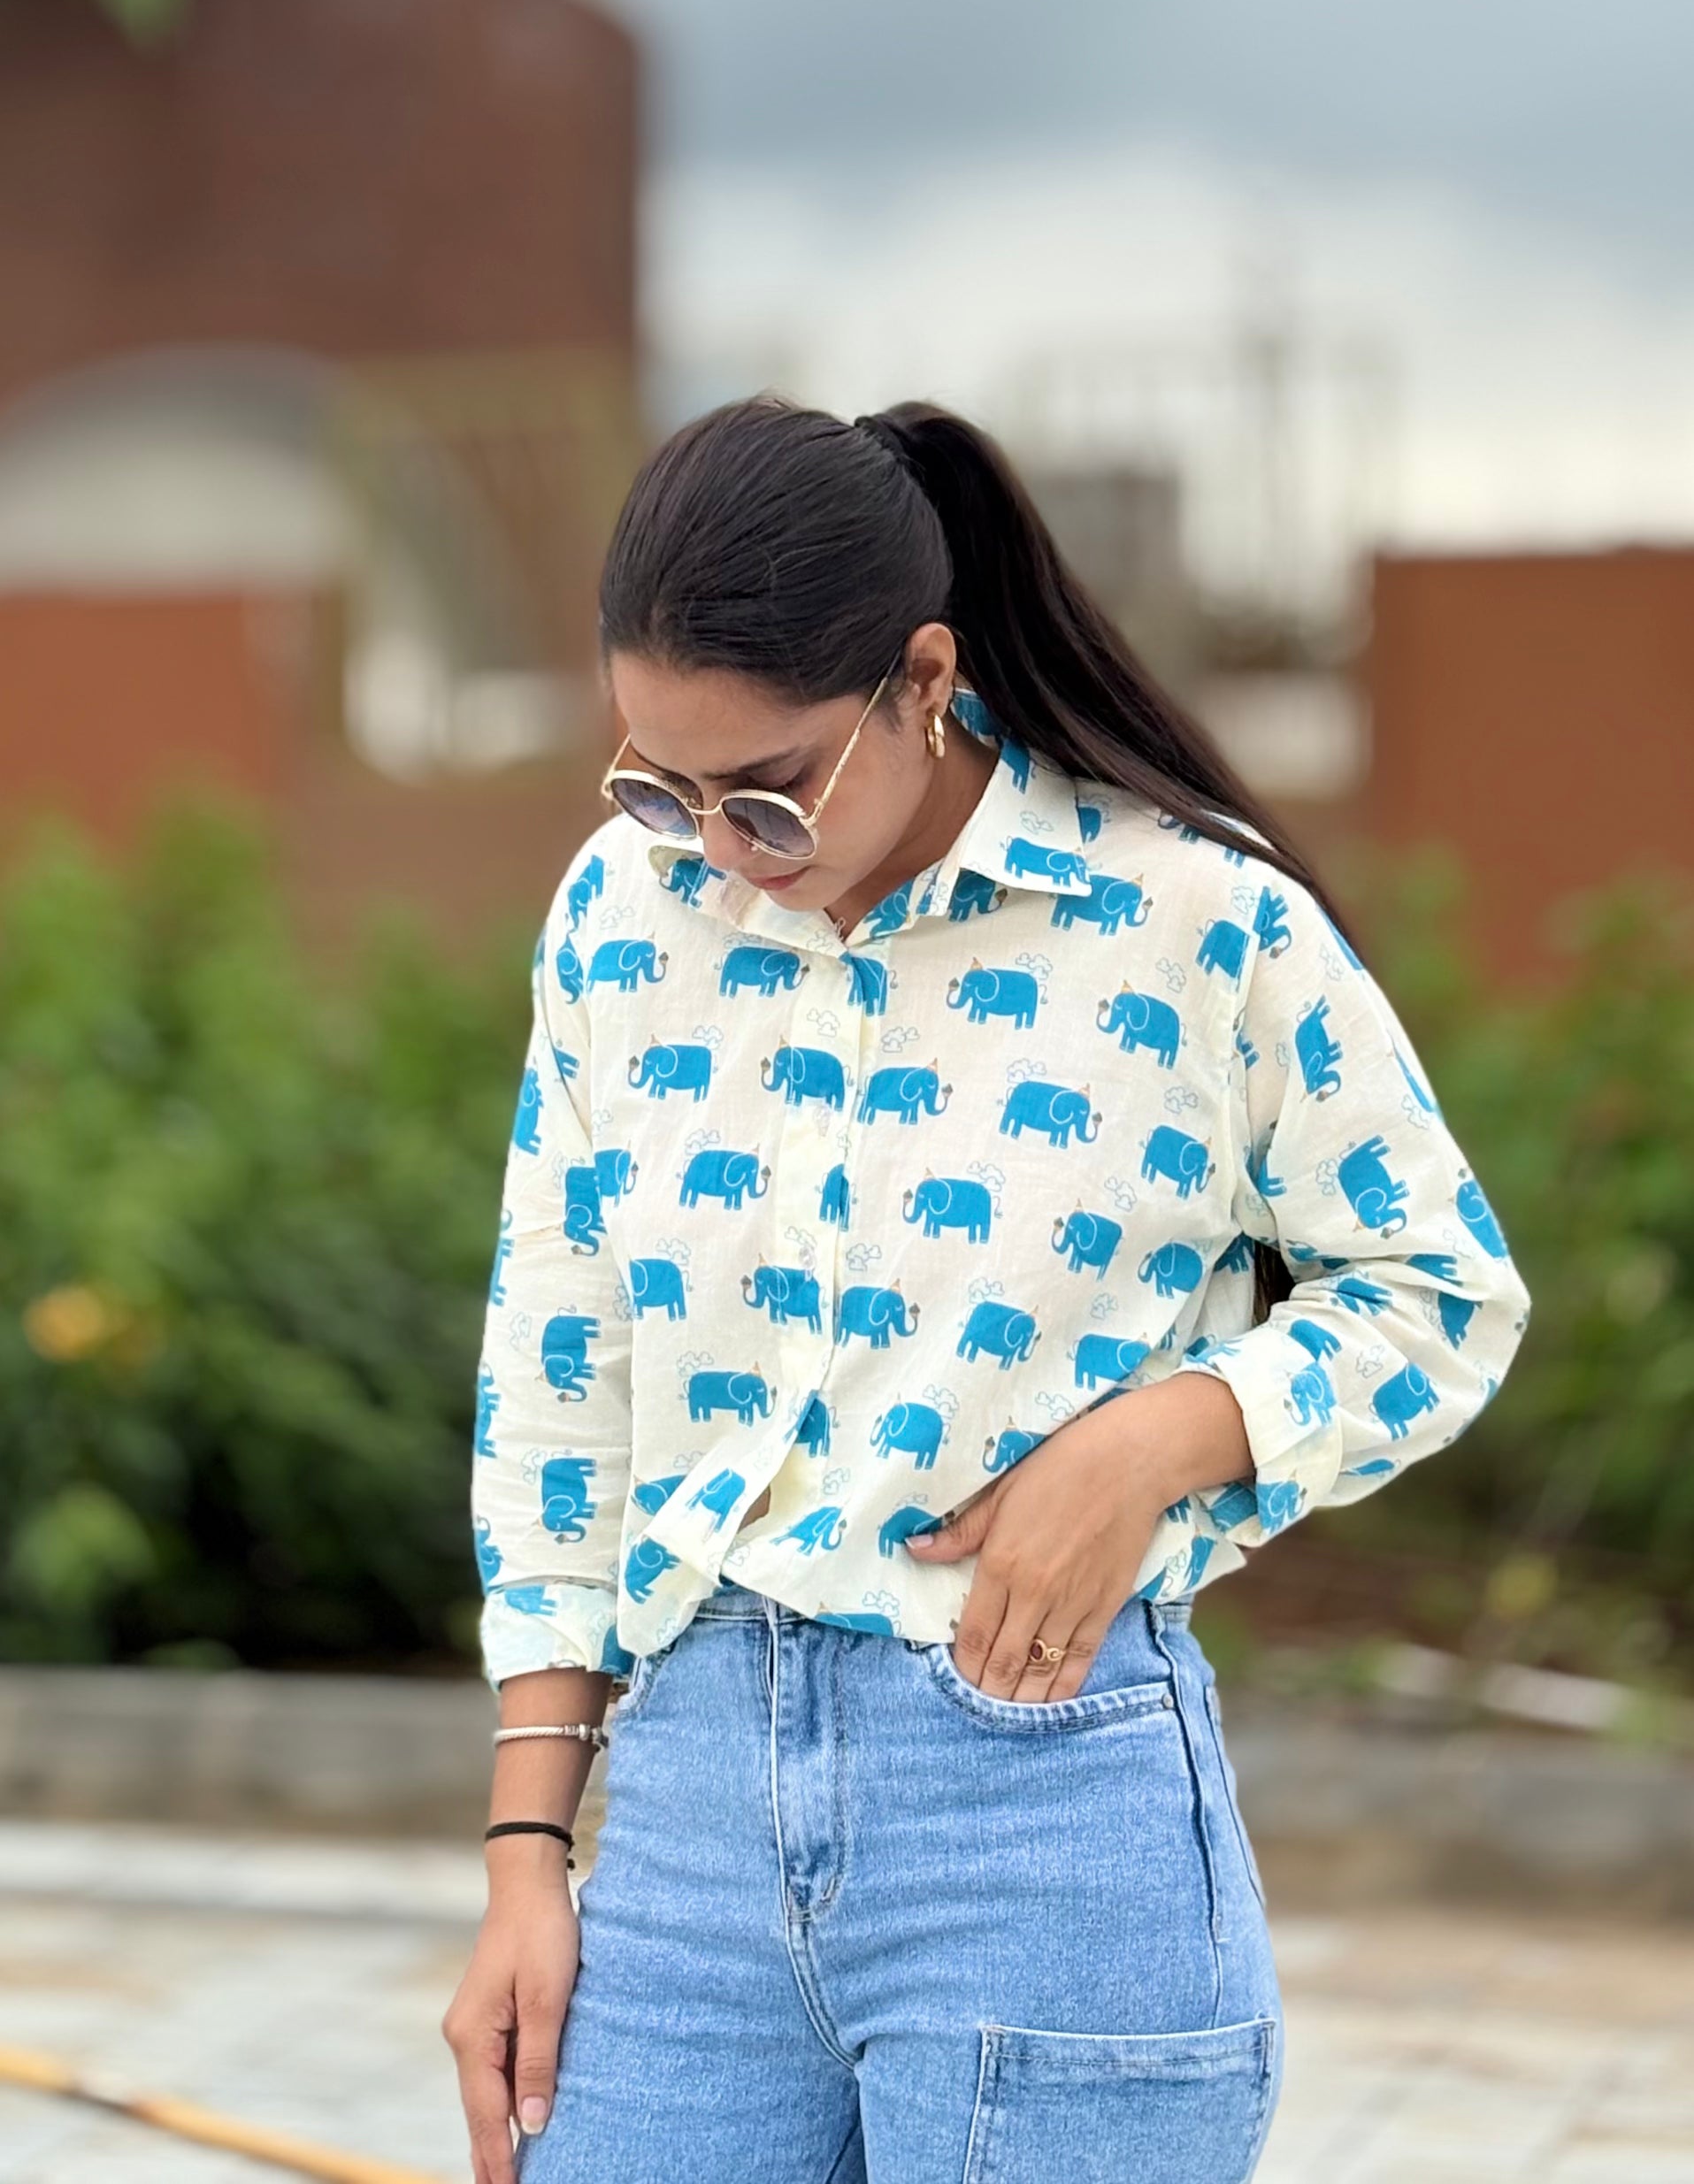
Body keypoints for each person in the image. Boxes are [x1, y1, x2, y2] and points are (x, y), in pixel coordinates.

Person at [444, 395, 1530, 2184]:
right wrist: (520, 1854)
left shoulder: (1194, 921)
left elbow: (1439, 1290)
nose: (712, 843)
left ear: (921, 676)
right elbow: (562, 1375)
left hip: (1035, 1793)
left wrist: (1170, 1436)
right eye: (657, 779)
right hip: (690, 1799)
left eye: (765, 791)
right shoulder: (622, 913)